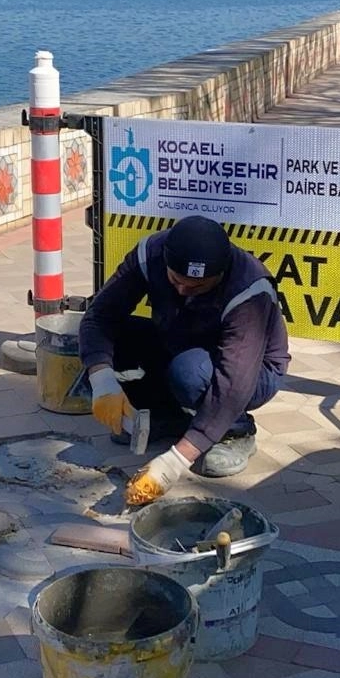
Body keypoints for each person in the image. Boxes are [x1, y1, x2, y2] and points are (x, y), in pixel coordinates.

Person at [78, 216, 290, 505]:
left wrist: (175, 462)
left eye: (197, 287)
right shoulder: (150, 255)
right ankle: (173, 416)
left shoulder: (248, 289)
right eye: (175, 280)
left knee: (189, 373)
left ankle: (236, 431)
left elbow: (233, 385)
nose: (182, 291)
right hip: (180, 342)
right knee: (109, 343)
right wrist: (102, 380)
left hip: (253, 371)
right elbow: (100, 316)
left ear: (220, 274)